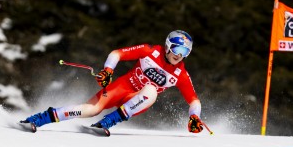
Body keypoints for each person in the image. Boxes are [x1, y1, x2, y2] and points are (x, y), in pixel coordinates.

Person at [20, 30, 204, 133]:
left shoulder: (181, 74)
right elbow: (116, 53)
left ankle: (109, 121)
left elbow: (194, 100)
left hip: (136, 101)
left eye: (185, 52)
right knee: (91, 109)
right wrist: (108, 71)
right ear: (167, 46)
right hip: (121, 87)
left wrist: (194, 117)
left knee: (151, 91)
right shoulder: (150, 51)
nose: (179, 55)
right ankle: (40, 119)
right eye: (177, 48)